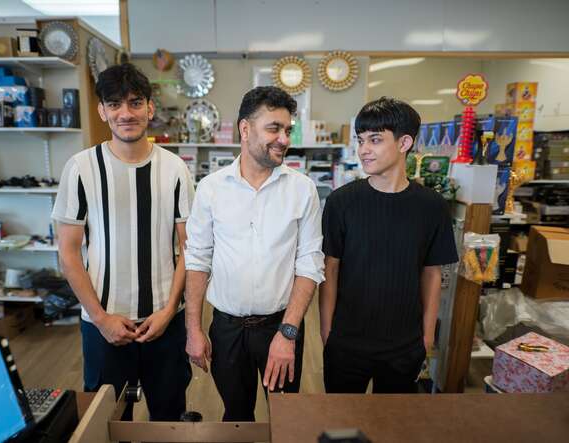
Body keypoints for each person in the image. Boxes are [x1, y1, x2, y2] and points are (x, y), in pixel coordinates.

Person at [52, 63, 193, 420]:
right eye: (114, 104)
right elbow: (68, 252)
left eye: (134, 103)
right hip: (103, 324)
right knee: (107, 423)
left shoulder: (175, 168)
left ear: (150, 107)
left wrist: (167, 311)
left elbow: (189, 250)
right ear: (102, 111)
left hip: (164, 322)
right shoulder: (81, 167)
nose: (125, 113)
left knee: (168, 418)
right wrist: (100, 319)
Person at [184, 86, 324, 421]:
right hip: (227, 330)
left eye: (287, 130)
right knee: (236, 415)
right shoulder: (210, 189)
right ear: (245, 129)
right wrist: (193, 330)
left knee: (285, 416)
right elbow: (197, 260)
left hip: (280, 326)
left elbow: (309, 263)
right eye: (273, 128)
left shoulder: (302, 190)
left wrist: (288, 334)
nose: (283, 138)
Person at [320, 96, 458, 394]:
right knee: (340, 424)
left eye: (375, 139)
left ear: (404, 142)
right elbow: (330, 269)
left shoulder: (432, 206)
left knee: (394, 428)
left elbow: (432, 273)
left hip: (404, 345)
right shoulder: (341, 202)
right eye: (360, 140)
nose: (363, 149)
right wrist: (327, 331)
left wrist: (427, 337)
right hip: (346, 342)